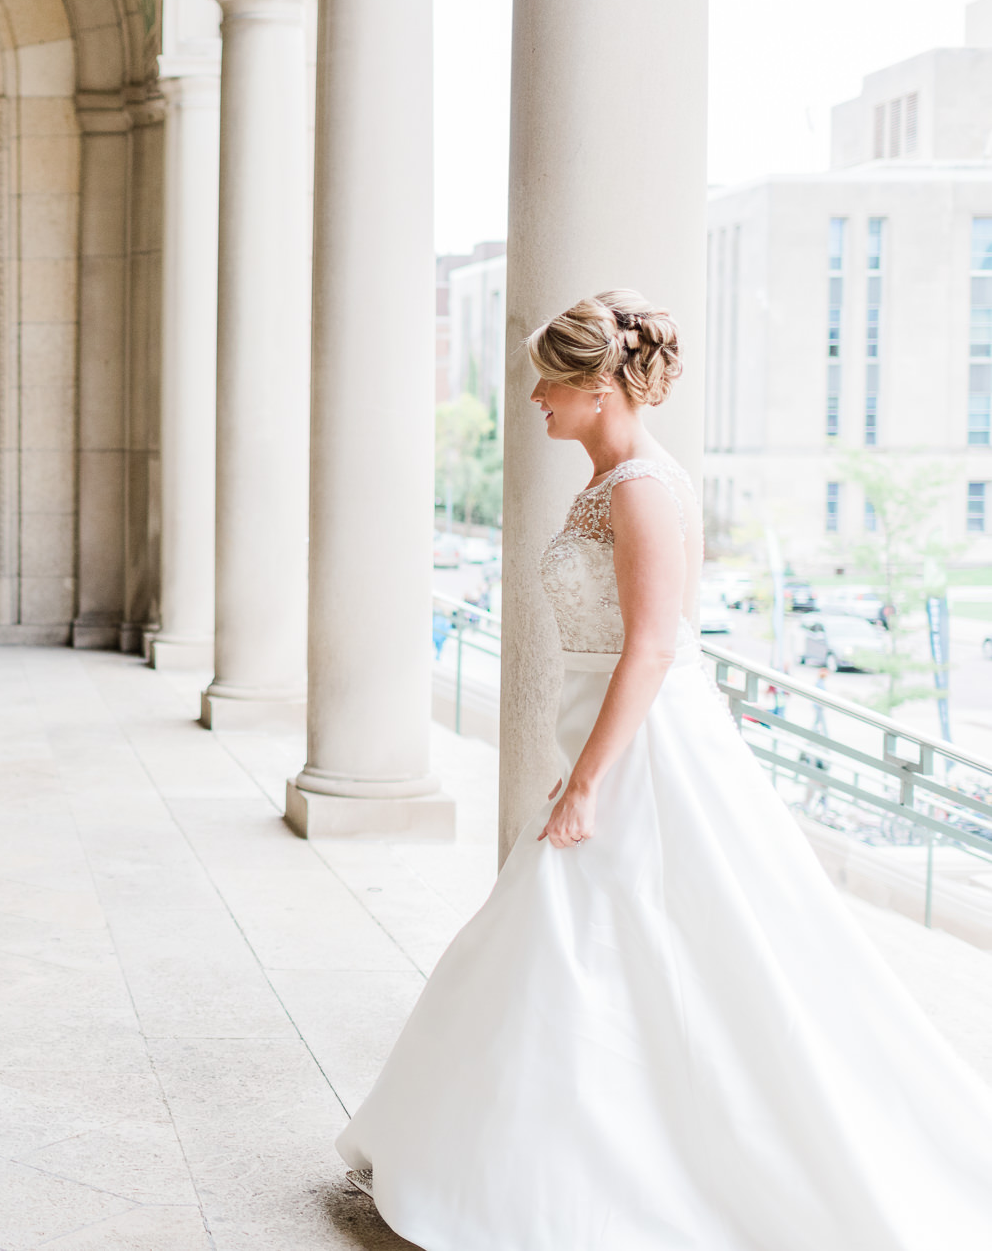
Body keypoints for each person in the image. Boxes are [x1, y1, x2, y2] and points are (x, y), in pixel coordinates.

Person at [337, 291, 992, 1248]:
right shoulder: (612, 478)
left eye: (549, 380)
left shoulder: (643, 487)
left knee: (585, 940)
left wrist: (592, 777)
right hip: (613, 729)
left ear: (599, 388)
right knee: (594, 947)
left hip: (648, 744)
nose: (533, 397)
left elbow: (651, 647)